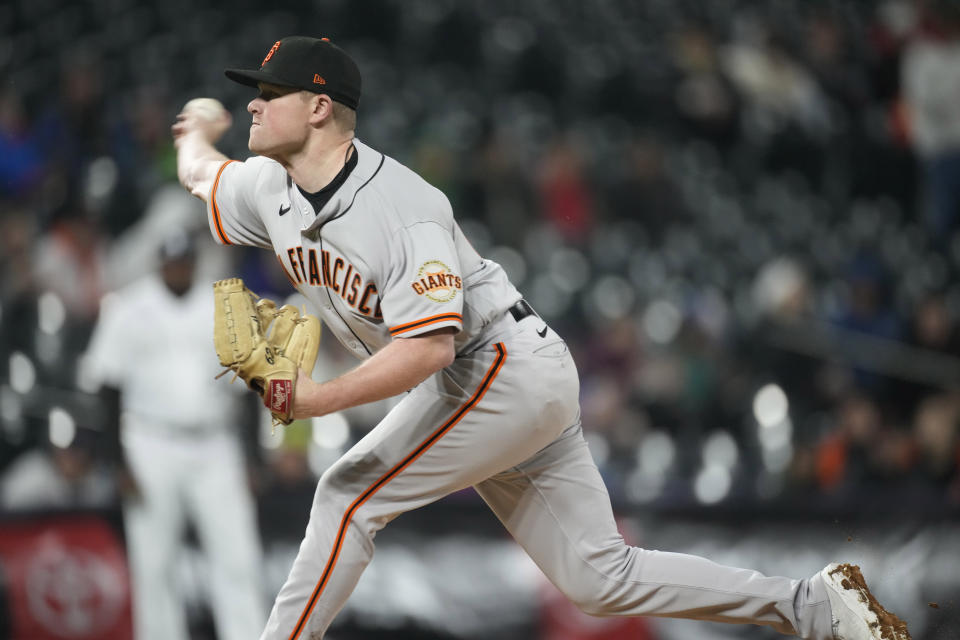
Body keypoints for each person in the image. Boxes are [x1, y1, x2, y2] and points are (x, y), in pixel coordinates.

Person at [172, 35, 911, 640]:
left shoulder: (403, 205)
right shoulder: (268, 188)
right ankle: (813, 604)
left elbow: (430, 348)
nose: (254, 105)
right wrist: (196, 134)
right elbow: (203, 175)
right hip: (490, 384)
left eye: (270, 93)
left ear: (321, 107)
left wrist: (317, 399)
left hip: (497, 364)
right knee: (600, 577)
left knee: (348, 493)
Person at [81, 230, 267, 640]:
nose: (179, 268)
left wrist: (254, 458)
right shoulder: (129, 308)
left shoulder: (223, 308)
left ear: (195, 263)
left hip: (215, 444)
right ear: (159, 263)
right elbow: (107, 391)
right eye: (172, 261)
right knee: (154, 560)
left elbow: (253, 386)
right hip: (150, 442)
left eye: (185, 261)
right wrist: (117, 461)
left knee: (237, 556)